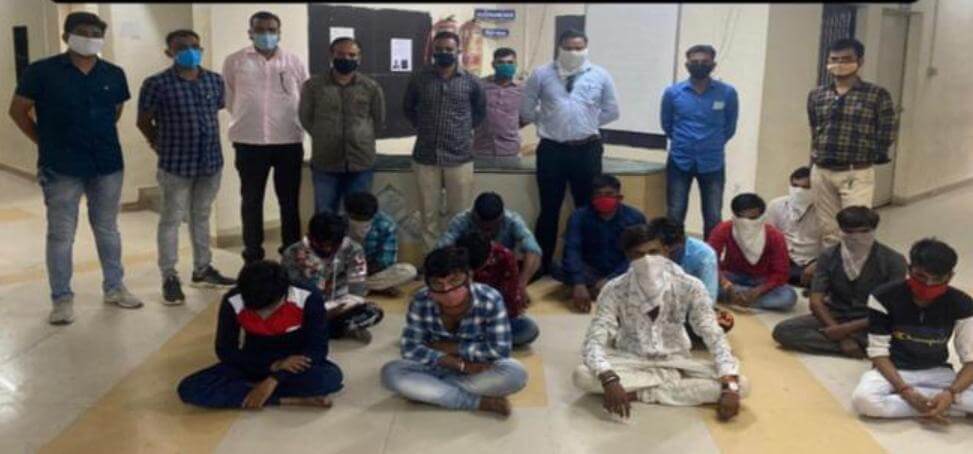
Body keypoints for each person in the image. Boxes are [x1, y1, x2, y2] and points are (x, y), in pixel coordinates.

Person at [8, 12, 145, 324]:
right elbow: (17, 111)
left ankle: (114, 287)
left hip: (106, 163)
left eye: (96, 34)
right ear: (66, 36)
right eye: (83, 32)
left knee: (107, 228)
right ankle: (61, 298)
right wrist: (43, 141)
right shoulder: (41, 72)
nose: (91, 38)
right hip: (61, 165)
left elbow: (115, 111)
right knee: (61, 234)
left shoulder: (113, 73)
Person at [572, 255, 748, 421]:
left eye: (654, 252)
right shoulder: (615, 288)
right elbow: (594, 339)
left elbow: (714, 335)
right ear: (628, 255)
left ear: (666, 251)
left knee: (742, 385)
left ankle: (641, 393)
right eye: (639, 254)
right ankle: (670, 384)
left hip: (677, 361)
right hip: (630, 359)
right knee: (582, 376)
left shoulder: (690, 285)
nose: (648, 260)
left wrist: (731, 387)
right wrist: (609, 378)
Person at [137, 29, 236, 305]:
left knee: (201, 216)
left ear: (201, 49)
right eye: (181, 47)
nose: (189, 51)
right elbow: (143, 120)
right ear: (169, 52)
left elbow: (215, 110)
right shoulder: (156, 84)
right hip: (175, 164)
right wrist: (157, 143)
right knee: (171, 219)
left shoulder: (214, 80)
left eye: (194, 46)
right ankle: (169, 276)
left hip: (210, 162)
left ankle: (202, 269)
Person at [381, 247, 528, 416]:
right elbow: (410, 348)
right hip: (435, 365)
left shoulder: (490, 299)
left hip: (479, 368)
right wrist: (459, 364)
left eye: (455, 280)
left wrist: (451, 347)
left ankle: (431, 392)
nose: (447, 290)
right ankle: (474, 401)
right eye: (437, 284)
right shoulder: (421, 300)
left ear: (469, 277)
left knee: (515, 373)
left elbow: (499, 350)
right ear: (428, 283)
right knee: (391, 372)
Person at [178, 260, 344, 409]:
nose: (263, 316)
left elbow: (317, 349)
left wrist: (276, 378)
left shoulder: (308, 297)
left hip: (294, 363)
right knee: (190, 388)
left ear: (283, 294)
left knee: (330, 377)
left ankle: (250, 391)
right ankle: (285, 399)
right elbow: (225, 350)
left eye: (269, 308)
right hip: (253, 361)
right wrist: (272, 366)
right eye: (255, 310)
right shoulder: (233, 300)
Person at [520, 29, 620, 273]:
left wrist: (585, 123)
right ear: (559, 48)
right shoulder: (541, 74)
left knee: (587, 209)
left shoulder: (600, 75)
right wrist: (550, 121)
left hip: (587, 149)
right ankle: (542, 266)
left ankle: (585, 264)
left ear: (586, 48)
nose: (574, 52)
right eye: (568, 48)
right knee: (549, 210)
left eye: (579, 48)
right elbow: (526, 110)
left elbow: (612, 110)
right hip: (552, 150)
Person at [852, 238, 973, 422]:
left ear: (950, 276)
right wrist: (904, 390)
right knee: (864, 400)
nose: (928, 284)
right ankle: (941, 407)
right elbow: (878, 352)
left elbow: (971, 360)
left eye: (937, 280)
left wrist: (950, 393)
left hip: (938, 371)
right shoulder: (883, 296)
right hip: (894, 370)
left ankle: (934, 403)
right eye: (921, 277)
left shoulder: (962, 304)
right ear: (910, 270)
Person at [223, 11, 309, 263]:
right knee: (251, 200)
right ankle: (253, 254)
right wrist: (250, 118)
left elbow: (305, 97)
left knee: (289, 201)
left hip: (288, 141)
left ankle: (291, 253)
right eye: (260, 30)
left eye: (272, 30)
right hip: (249, 142)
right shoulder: (235, 61)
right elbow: (229, 98)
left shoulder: (294, 61)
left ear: (279, 33)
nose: (266, 35)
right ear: (250, 33)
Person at [773, 206, 906, 358]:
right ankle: (863, 347)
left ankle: (860, 345)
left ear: (874, 230)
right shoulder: (828, 256)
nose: (857, 237)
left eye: (864, 231)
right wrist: (841, 336)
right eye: (849, 232)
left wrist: (844, 330)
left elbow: (892, 308)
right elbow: (816, 301)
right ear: (841, 231)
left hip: (872, 319)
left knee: (901, 337)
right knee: (784, 331)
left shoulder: (893, 260)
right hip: (836, 314)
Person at [807, 38, 899, 248]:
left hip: (855, 172)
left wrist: (869, 155)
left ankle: (857, 268)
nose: (839, 64)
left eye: (846, 59)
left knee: (857, 230)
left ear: (860, 61)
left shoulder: (876, 95)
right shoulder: (817, 95)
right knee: (829, 232)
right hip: (822, 172)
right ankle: (833, 268)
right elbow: (815, 130)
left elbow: (887, 132)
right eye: (834, 59)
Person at [403, 31, 486, 251]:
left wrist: (461, 131)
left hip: (459, 157)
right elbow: (408, 108)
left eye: (449, 49)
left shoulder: (472, 81)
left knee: (459, 216)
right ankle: (432, 260)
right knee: (427, 215)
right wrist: (424, 127)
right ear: (433, 51)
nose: (443, 53)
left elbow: (480, 113)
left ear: (458, 51)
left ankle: (456, 259)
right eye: (439, 49)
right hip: (425, 157)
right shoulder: (419, 78)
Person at [661, 44, 739, 241]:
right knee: (675, 213)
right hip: (680, 159)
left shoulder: (727, 93)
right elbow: (667, 124)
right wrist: (684, 142)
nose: (699, 65)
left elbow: (730, 127)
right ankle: (675, 255)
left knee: (713, 216)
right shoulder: (673, 93)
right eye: (694, 62)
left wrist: (712, 143)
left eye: (704, 62)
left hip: (712, 161)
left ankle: (710, 256)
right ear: (687, 64)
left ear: (713, 64)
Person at [300, 37, 385, 214]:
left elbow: (378, 120)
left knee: (358, 215)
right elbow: (305, 118)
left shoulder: (371, 87)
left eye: (352, 55)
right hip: (326, 162)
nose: (346, 58)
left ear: (359, 58)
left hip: (360, 162)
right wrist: (324, 135)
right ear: (331, 56)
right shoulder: (313, 86)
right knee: (325, 214)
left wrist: (361, 137)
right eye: (341, 54)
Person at [281, 211, 382, 344]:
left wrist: (341, 306)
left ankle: (322, 329)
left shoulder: (353, 250)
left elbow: (357, 290)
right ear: (310, 237)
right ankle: (331, 329)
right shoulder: (292, 253)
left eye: (333, 245)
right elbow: (290, 291)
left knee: (373, 312)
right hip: (307, 307)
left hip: (340, 304)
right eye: (322, 245)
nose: (328, 249)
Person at [620, 221, 734, 334]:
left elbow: (708, 300)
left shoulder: (705, 255)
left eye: (672, 252)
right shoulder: (646, 251)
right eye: (660, 251)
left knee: (717, 323)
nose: (667, 255)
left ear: (684, 242)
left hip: (686, 306)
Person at [553, 174, 646, 313]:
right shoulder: (579, 216)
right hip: (590, 269)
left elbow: (637, 254)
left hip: (621, 269)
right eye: (598, 195)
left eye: (609, 194)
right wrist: (578, 282)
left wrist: (611, 279)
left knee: (644, 265)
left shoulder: (635, 217)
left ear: (619, 197)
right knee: (557, 266)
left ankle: (600, 288)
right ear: (592, 198)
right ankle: (599, 289)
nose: (603, 198)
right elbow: (572, 250)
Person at [437, 192, 542, 302]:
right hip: (471, 269)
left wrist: (520, 286)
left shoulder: (512, 220)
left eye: (491, 228)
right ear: (474, 214)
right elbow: (441, 250)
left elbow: (534, 250)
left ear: (501, 217)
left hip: (501, 268)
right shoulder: (461, 220)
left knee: (535, 265)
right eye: (482, 226)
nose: (487, 233)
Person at [708, 193, 797, 311]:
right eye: (743, 218)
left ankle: (737, 299)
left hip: (763, 280)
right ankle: (742, 298)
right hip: (732, 276)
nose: (748, 222)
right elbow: (710, 261)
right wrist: (727, 286)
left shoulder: (774, 235)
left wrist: (758, 291)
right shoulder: (724, 229)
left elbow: (781, 273)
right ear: (734, 215)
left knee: (788, 297)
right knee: (703, 282)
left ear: (761, 216)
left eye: (753, 218)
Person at [456, 231, 540, 348]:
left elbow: (511, 300)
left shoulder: (505, 257)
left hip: (491, 315)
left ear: (488, 256)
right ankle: (480, 342)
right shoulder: (453, 258)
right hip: (458, 316)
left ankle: (475, 341)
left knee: (529, 329)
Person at [343, 191, 417, 297]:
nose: (361, 221)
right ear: (348, 213)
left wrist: (362, 270)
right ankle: (372, 287)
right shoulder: (339, 223)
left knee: (408, 271)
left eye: (366, 218)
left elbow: (386, 261)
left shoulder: (386, 224)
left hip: (371, 272)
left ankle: (359, 287)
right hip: (346, 271)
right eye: (357, 217)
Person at [766, 166, 822, 287]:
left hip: (811, 261)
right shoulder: (776, 205)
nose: (799, 191)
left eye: (805, 187)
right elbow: (768, 238)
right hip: (784, 258)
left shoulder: (824, 210)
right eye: (795, 186)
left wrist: (818, 263)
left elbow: (832, 243)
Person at [473, 47, 528, 158]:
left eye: (510, 62)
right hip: (481, 149)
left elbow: (528, 116)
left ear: (516, 65)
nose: (505, 65)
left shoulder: (523, 89)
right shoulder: (479, 85)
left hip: (510, 150)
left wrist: (510, 126)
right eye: (501, 62)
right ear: (493, 64)